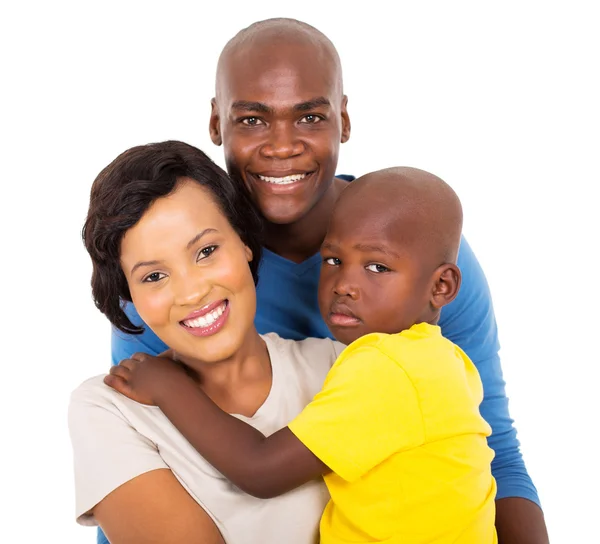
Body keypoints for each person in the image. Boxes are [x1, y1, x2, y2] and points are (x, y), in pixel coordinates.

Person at [110, 18, 548, 544]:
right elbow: (139, 462)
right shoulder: (167, 281)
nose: (282, 146)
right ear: (215, 123)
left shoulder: (421, 258)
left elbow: (490, 447)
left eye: (310, 116)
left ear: (342, 119)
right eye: (251, 119)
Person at [107, 166, 498, 543]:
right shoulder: (438, 360)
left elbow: (260, 470)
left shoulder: (393, 370)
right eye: (333, 261)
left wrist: (168, 386)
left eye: (377, 266)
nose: (344, 284)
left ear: (442, 286)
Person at [69, 140, 347, 544]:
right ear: (130, 297)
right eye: (153, 276)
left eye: (206, 251)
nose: (192, 292)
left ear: (246, 243)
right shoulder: (110, 409)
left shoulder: (344, 369)